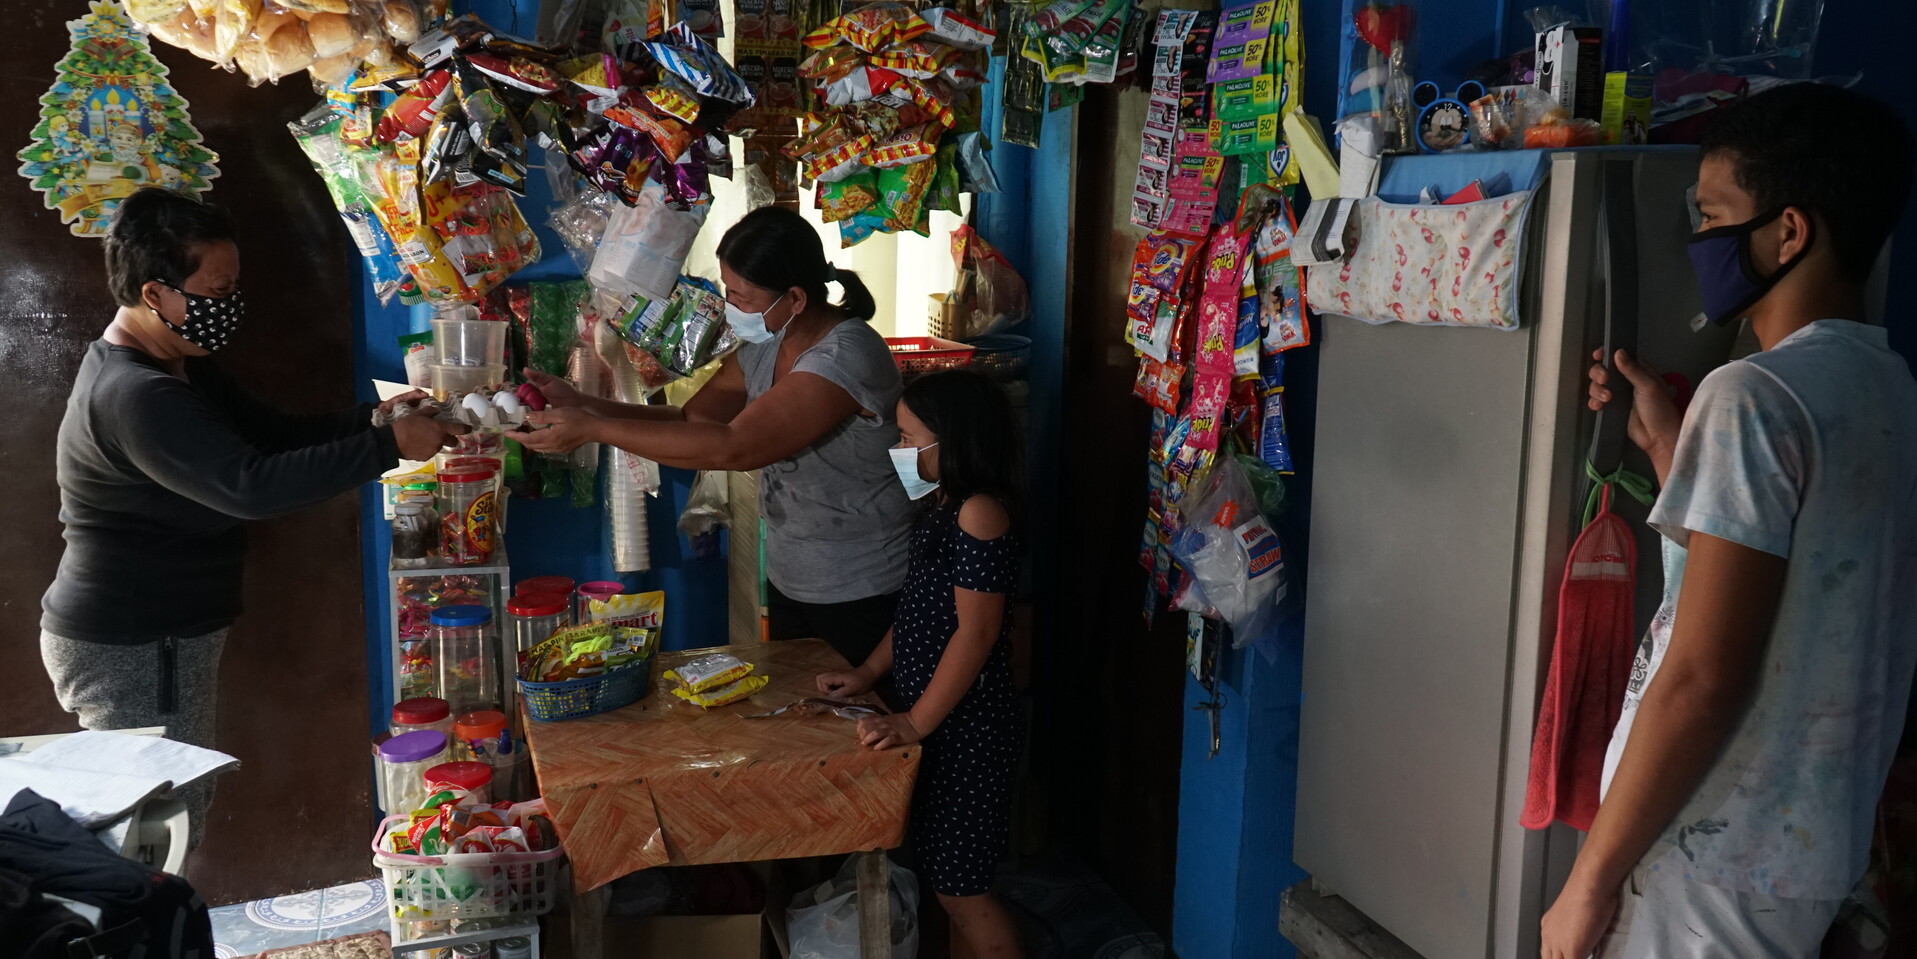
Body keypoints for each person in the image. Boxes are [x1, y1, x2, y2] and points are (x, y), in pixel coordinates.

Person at [1540, 84, 1917, 959]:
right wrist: (1674, 454)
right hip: (1804, 851)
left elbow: (1704, 674)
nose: (1699, 241)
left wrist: (1588, 882)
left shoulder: (1750, 395)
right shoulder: (1887, 389)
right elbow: (1801, 582)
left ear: (1789, 233)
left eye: (1713, 216)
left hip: (1705, 852)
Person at [38, 187, 459, 852]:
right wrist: (386, 448)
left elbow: (269, 435)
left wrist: (373, 419)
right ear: (156, 292)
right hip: (137, 642)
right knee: (157, 828)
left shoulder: (176, 365)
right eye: (217, 286)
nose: (230, 301)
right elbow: (249, 486)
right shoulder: (135, 395)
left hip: (158, 634)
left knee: (170, 814)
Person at [518, 206, 915, 666]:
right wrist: (583, 405)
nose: (730, 307)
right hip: (795, 576)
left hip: (863, 583)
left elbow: (734, 446)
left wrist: (595, 430)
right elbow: (692, 422)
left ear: (796, 298)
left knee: (865, 723)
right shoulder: (769, 343)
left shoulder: (844, 357)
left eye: (741, 297)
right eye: (729, 290)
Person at [815, 370, 1025, 959]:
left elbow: (974, 635)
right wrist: (867, 675)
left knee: (965, 891)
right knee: (947, 886)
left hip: (970, 731)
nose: (900, 451)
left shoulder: (980, 513)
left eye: (910, 439)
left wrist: (914, 723)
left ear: (953, 441)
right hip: (939, 723)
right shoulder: (945, 507)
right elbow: (917, 613)